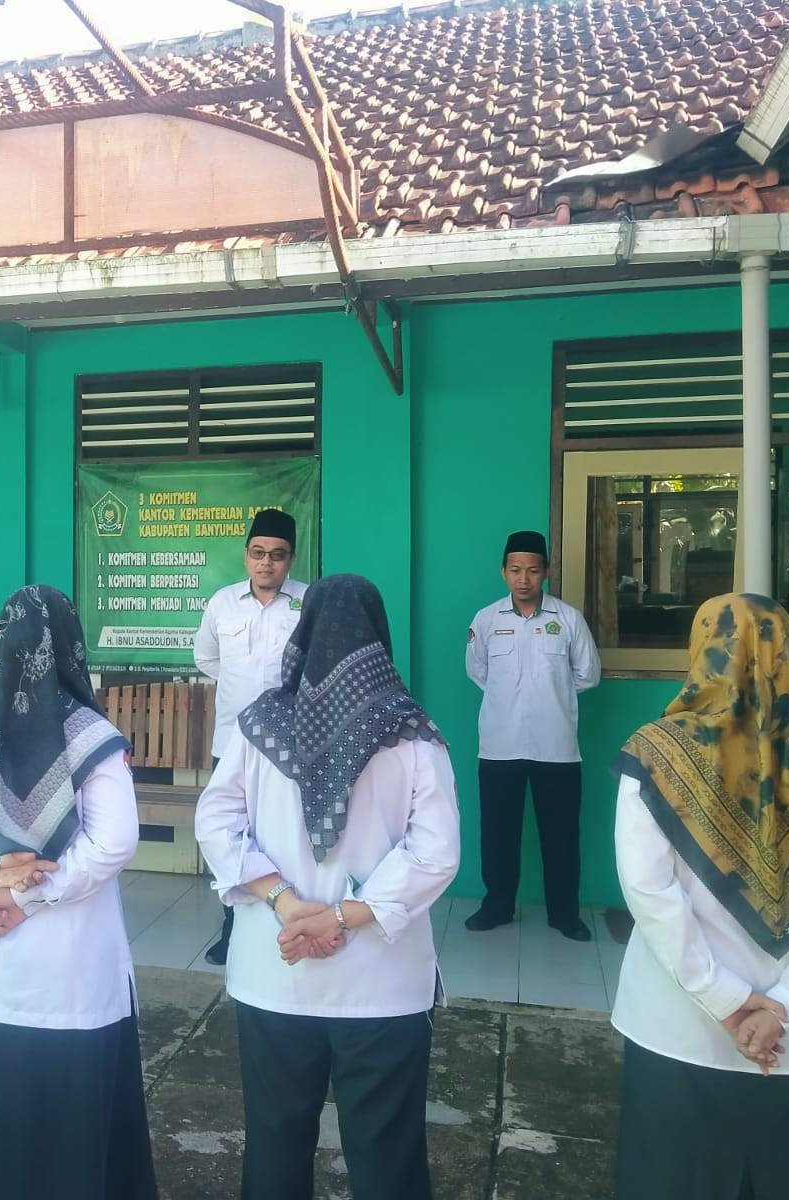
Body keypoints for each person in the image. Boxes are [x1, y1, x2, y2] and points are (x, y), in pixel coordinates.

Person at [195, 573, 459, 1200]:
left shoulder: (260, 724)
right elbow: (436, 852)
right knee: (388, 1156)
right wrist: (343, 916)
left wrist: (286, 903)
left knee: (274, 1146)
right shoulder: (412, 732)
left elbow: (215, 820)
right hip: (381, 984)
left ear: (303, 630)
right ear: (379, 635)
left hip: (275, 971)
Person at [610, 593, 789, 1200]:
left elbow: (650, 891)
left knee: (667, 1178)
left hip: (677, 1027)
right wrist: (783, 1006)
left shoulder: (657, 755)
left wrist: (725, 999)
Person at [0, 584, 158, 1200]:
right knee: (66, 1124)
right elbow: (114, 842)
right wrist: (30, 894)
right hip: (68, 967)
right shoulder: (92, 735)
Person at [464, 529, 600, 941]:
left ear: (547, 572)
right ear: (503, 572)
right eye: (516, 570)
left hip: (556, 747)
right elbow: (477, 671)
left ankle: (565, 914)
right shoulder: (486, 620)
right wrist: (513, 697)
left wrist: (549, 696)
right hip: (499, 745)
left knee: (561, 836)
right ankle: (496, 906)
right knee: (498, 833)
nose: (524, 579)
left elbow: (588, 675)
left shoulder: (568, 619)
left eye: (533, 570)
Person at [193, 507, 307, 965]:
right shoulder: (222, 603)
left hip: (291, 748)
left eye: (277, 555)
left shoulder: (308, 602)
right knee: (230, 837)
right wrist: (241, 688)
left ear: (290, 559)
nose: (266, 562)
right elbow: (206, 658)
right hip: (232, 743)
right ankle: (232, 929)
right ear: (245, 556)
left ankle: (289, 919)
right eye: (258, 553)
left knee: (284, 836)